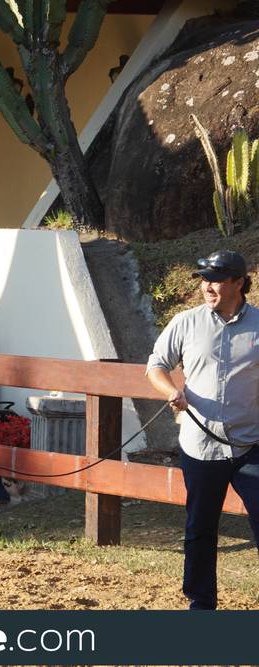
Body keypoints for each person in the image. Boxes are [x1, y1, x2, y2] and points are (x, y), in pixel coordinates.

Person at [146, 249, 259, 610]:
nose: (207, 287)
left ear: (238, 283)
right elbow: (156, 366)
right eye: (203, 280)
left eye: (215, 279)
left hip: (250, 444)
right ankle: (200, 603)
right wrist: (171, 391)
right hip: (200, 446)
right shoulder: (185, 322)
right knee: (200, 528)